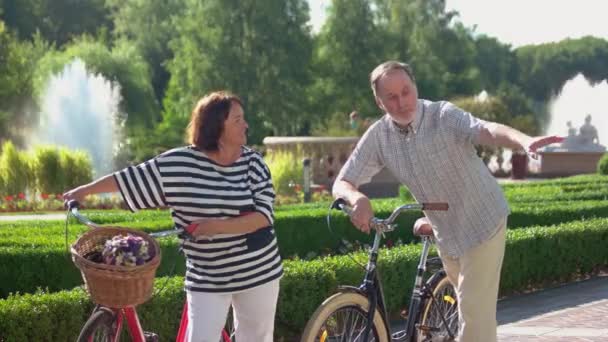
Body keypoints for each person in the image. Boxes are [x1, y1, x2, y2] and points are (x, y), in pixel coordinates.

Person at [332, 61, 562, 342]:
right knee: (471, 313)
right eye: (391, 96)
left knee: (474, 313)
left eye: (406, 91)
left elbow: (486, 129)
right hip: (446, 233)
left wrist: (522, 140)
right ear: (379, 102)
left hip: (483, 221)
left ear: (415, 87)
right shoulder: (379, 136)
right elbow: (342, 181)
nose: (402, 101)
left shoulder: (442, 115)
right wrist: (356, 198)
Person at [63, 91, 282, 342]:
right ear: (216, 127)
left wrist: (215, 227)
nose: (246, 125)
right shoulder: (180, 163)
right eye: (237, 119)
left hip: (258, 271)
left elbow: (264, 216)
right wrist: (84, 191)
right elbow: (131, 177)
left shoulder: (254, 164)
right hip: (207, 275)